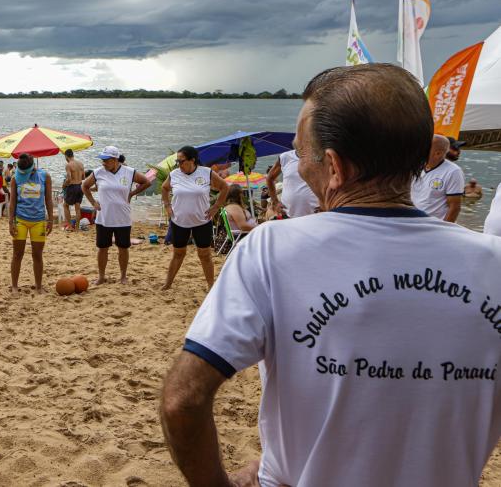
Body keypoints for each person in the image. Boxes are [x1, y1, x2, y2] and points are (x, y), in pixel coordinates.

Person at [159, 63, 501, 487]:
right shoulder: (494, 264)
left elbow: (183, 401)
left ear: (334, 167)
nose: (299, 168)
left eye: (302, 154)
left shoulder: (271, 250)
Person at [161, 146, 228, 290]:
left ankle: (211, 286)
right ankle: (167, 284)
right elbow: (164, 188)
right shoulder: (174, 174)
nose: (179, 164)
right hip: (179, 221)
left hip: (202, 221)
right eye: (177, 162)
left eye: (181, 161)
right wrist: (167, 205)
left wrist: (216, 207)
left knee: (204, 255)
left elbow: (225, 187)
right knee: (178, 254)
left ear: (193, 160)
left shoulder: (206, 173)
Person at [82, 146, 151, 284]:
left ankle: (123, 276)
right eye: (102, 160)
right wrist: (93, 202)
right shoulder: (98, 172)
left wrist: (131, 194)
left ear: (114, 160)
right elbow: (84, 186)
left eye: (106, 160)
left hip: (123, 218)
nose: (103, 163)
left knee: (123, 248)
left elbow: (146, 182)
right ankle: (101, 277)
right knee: (102, 249)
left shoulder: (129, 172)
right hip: (104, 218)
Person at [8, 153, 53, 295]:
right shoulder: (15, 178)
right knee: (17, 254)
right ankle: (14, 286)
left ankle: (39, 286)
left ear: (32, 168)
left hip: (38, 221)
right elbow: (12, 201)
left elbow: (49, 200)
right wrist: (11, 222)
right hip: (20, 220)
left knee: (37, 255)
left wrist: (50, 219)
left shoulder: (45, 176)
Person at [411, 134, 465, 222]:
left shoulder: (454, 172)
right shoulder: (415, 166)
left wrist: (444, 228)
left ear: (438, 153)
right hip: (410, 221)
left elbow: (454, 207)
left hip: (433, 225)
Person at [266, 147, 319, 218]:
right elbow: (270, 178)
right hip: (287, 215)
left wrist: (326, 205)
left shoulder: (322, 156)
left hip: (315, 215)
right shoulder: (285, 157)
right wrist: (275, 202)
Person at [63, 148, 85, 230]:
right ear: (73, 155)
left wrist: (64, 185)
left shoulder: (68, 165)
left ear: (66, 156)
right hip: (80, 186)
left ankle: (69, 226)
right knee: (77, 207)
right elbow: (83, 177)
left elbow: (69, 179)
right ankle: (77, 228)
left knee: (65, 205)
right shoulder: (80, 164)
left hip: (72, 187)